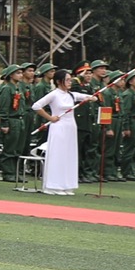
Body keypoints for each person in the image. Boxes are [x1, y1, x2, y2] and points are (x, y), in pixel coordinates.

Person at [31, 69, 97, 197]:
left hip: (70, 127)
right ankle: (53, 185)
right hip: (58, 127)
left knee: (69, 155)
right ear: (58, 81)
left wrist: (91, 98)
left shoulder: (71, 95)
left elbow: (86, 96)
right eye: (67, 80)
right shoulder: (54, 94)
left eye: (70, 79)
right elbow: (36, 106)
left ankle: (66, 185)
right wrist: (50, 118)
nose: (69, 82)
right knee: (58, 155)